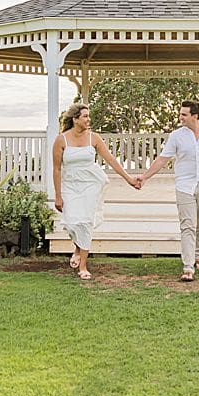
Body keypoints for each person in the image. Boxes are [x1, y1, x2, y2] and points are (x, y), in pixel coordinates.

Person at [136, 100, 199, 281]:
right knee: (187, 226)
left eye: (184, 114)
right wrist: (145, 177)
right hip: (184, 187)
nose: (180, 117)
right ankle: (188, 267)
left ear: (195, 116)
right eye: (180, 114)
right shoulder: (176, 136)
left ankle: (198, 254)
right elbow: (162, 159)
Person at [52, 103, 140, 280]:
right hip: (70, 186)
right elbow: (57, 169)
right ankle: (78, 248)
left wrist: (129, 179)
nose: (88, 119)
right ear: (75, 119)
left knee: (85, 222)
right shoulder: (61, 140)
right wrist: (58, 195)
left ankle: (83, 266)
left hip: (91, 184)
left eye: (88, 116)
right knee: (71, 223)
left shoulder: (94, 138)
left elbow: (111, 160)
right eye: (85, 116)